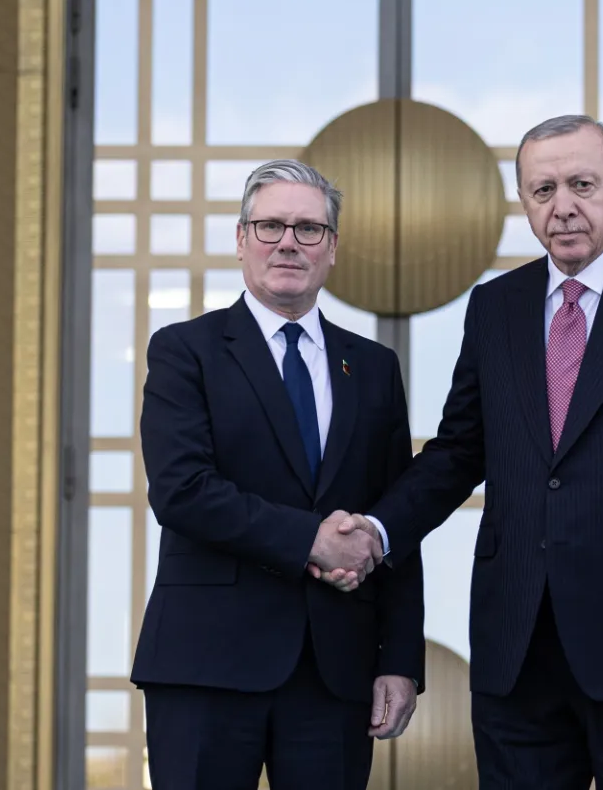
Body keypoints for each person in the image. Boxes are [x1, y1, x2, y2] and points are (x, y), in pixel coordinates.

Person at [315, 115, 603, 789]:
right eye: (543, 190)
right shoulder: (496, 306)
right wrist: (377, 530)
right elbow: (459, 451)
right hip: (517, 647)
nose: (563, 206)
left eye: (582, 184)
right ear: (523, 201)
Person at [131, 160, 424, 790]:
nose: (289, 242)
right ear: (242, 240)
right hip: (206, 665)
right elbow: (181, 491)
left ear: (332, 248)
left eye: (308, 229)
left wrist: (400, 658)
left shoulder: (374, 368)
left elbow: (394, 517)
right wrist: (311, 540)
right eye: (270, 226)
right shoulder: (184, 350)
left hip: (334, 670)